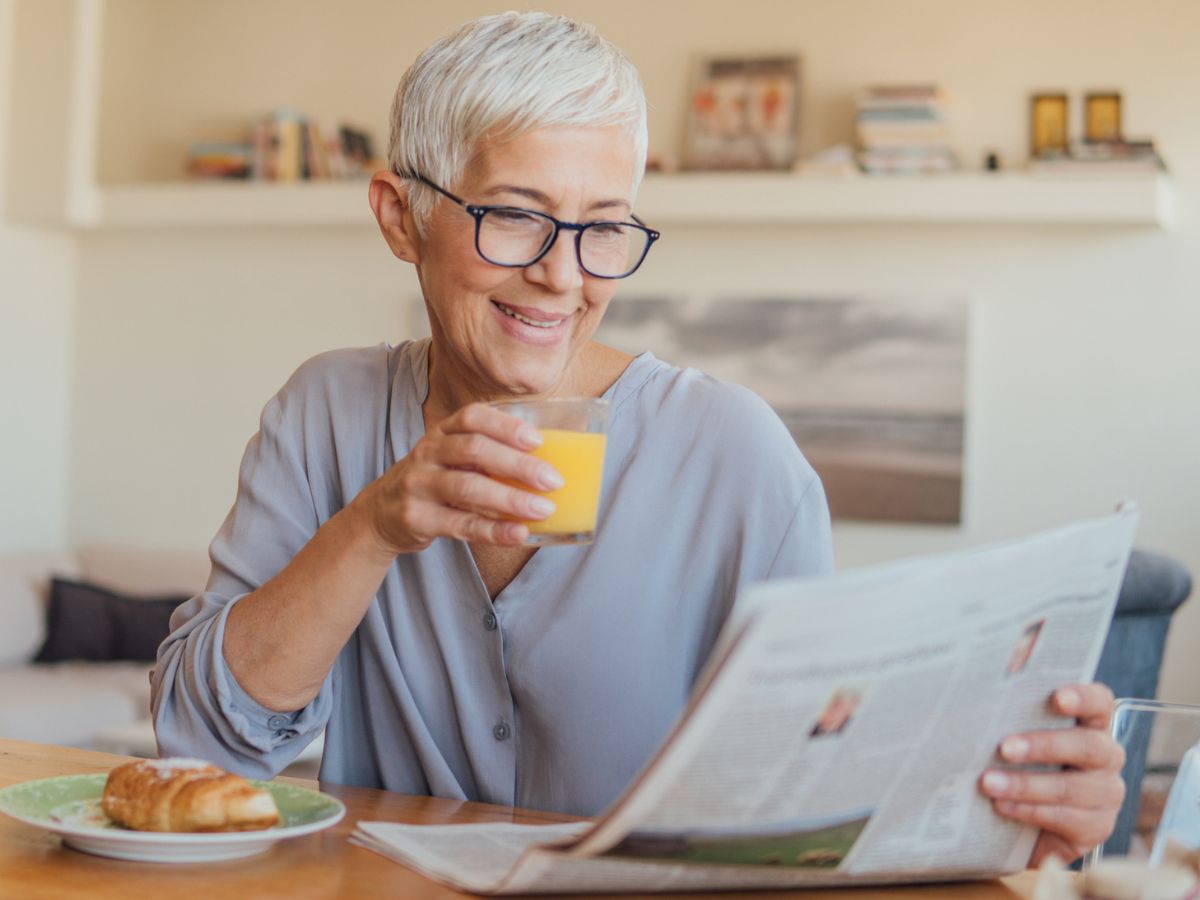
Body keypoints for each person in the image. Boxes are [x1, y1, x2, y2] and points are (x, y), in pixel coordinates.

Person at [151, 11, 1123, 865]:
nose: (563, 276)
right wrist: (373, 527)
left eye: (604, 227)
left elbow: (815, 794)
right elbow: (205, 747)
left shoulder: (734, 457)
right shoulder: (326, 415)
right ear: (400, 216)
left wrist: (1017, 810)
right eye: (516, 218)